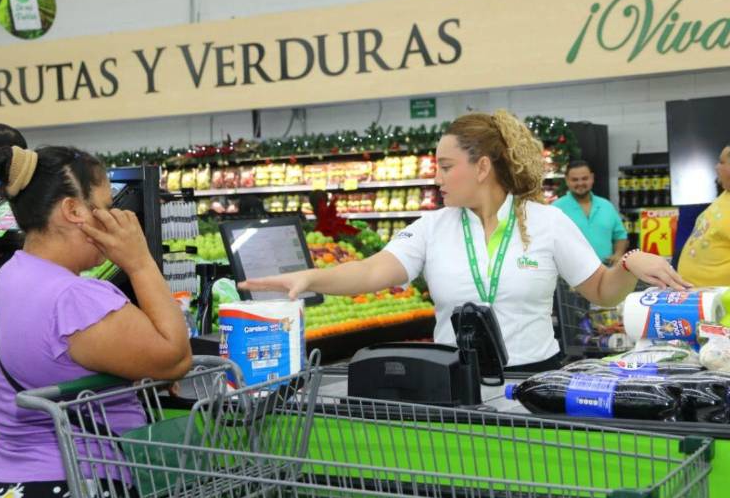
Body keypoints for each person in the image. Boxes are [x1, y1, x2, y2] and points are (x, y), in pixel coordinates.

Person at [240, 110, 687, 372]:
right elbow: (373, 270)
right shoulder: (434, 227)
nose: (437, 178)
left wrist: (628, 264)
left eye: (445, 166)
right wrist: (310, 277)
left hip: (529, 380)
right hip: (453, 381)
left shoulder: (546, 222)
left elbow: (599, 290)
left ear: (482, 168)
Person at [0, 145, 191, 498]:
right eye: (103, 206)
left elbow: (50, 363)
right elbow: (175, 358)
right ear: (73, 210)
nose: (111, 218)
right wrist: (139, 263)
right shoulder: (77, 299)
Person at [553, 160, 628, 265]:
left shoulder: (606, 206)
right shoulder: (556, 209)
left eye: (585, 178)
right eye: (575, 180)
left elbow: (620, 236)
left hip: (606, 272)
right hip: (570, 277)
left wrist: (618, 254)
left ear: (592, 178)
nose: (580, 183)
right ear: (567, 181)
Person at [677, 145, 730, 286]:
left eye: (722, 162)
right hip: (699, 297)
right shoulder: (725, 195)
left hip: (722, 300)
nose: (716, 167)